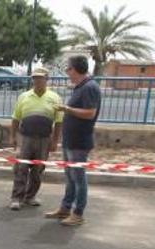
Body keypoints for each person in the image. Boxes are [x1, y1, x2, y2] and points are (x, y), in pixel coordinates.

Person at [45, 55, 101, 227]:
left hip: (79, 142)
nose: (67, 72)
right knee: (70, 177)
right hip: (71, 140)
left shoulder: (90, 87)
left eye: (68, 68)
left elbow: (90, 113)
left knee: (78, 178)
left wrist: (66, 109)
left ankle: (78, 213)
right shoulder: (80, 87)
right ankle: (65, 208)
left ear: (75, 69)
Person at [8, 66, 63, 210]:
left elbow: (58, 122)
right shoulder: (24, 96)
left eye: (40, 78)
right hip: (25, 138)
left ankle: (30, 196)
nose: (37, 81)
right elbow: (15, 119)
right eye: (34, 78)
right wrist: (13, 137)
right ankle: (16, 198)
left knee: (38, 170)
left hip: (44, 139)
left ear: (46, 79)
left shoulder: (55, 98)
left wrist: (55, 141)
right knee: (21, 168)